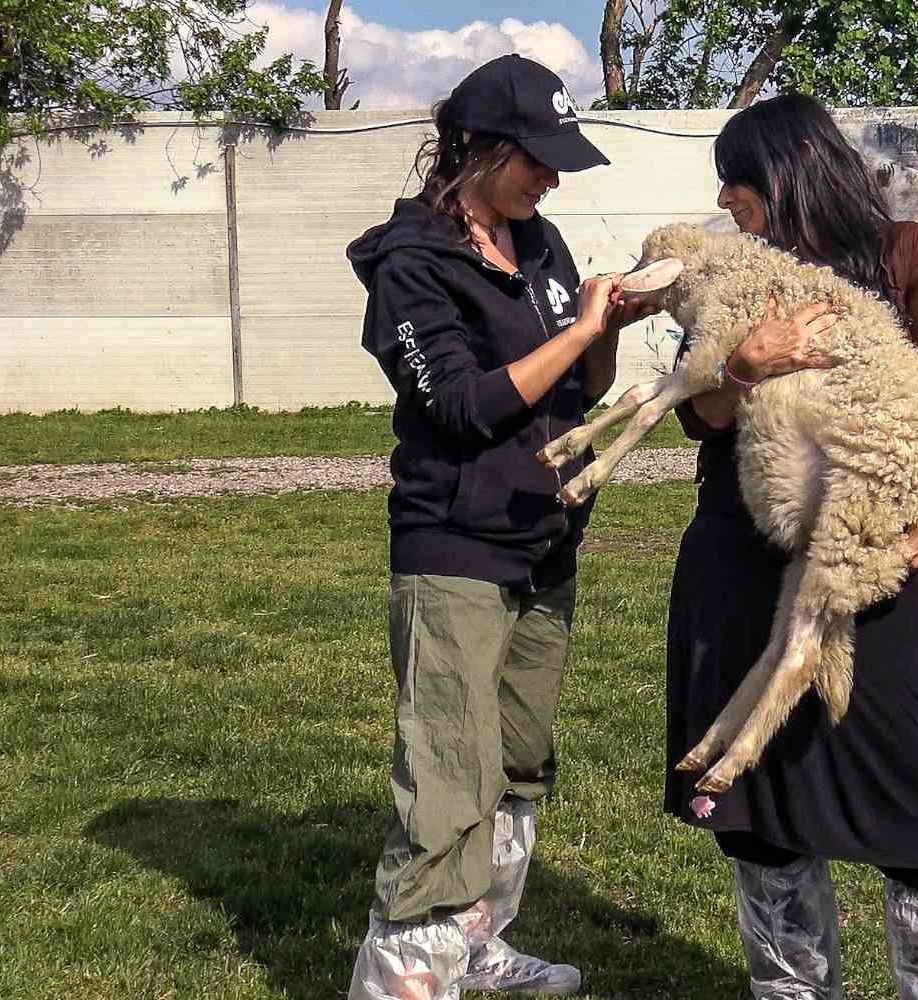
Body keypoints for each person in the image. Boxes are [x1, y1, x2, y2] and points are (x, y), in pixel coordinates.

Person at [663, 93, 918, 999]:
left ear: (784, 176)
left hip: (883, 564)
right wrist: (745, 365)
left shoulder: (906, 254)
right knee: (760, 819)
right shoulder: (739, 274)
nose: (724, 199)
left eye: (735, 181)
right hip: (743, 564)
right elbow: (700, 414)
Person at [344, 54, 651, 1000]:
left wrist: (602, 332)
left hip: (543, 545)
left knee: (517, 763)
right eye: (537, 158)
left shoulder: (541, 243)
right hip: (455, 547)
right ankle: (404, 982)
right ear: (475, 148)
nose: (551, 178)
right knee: (449, 776)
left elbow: (578, 387)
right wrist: (577, 330)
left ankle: (477, 948)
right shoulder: (412, 262)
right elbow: (462, 406)